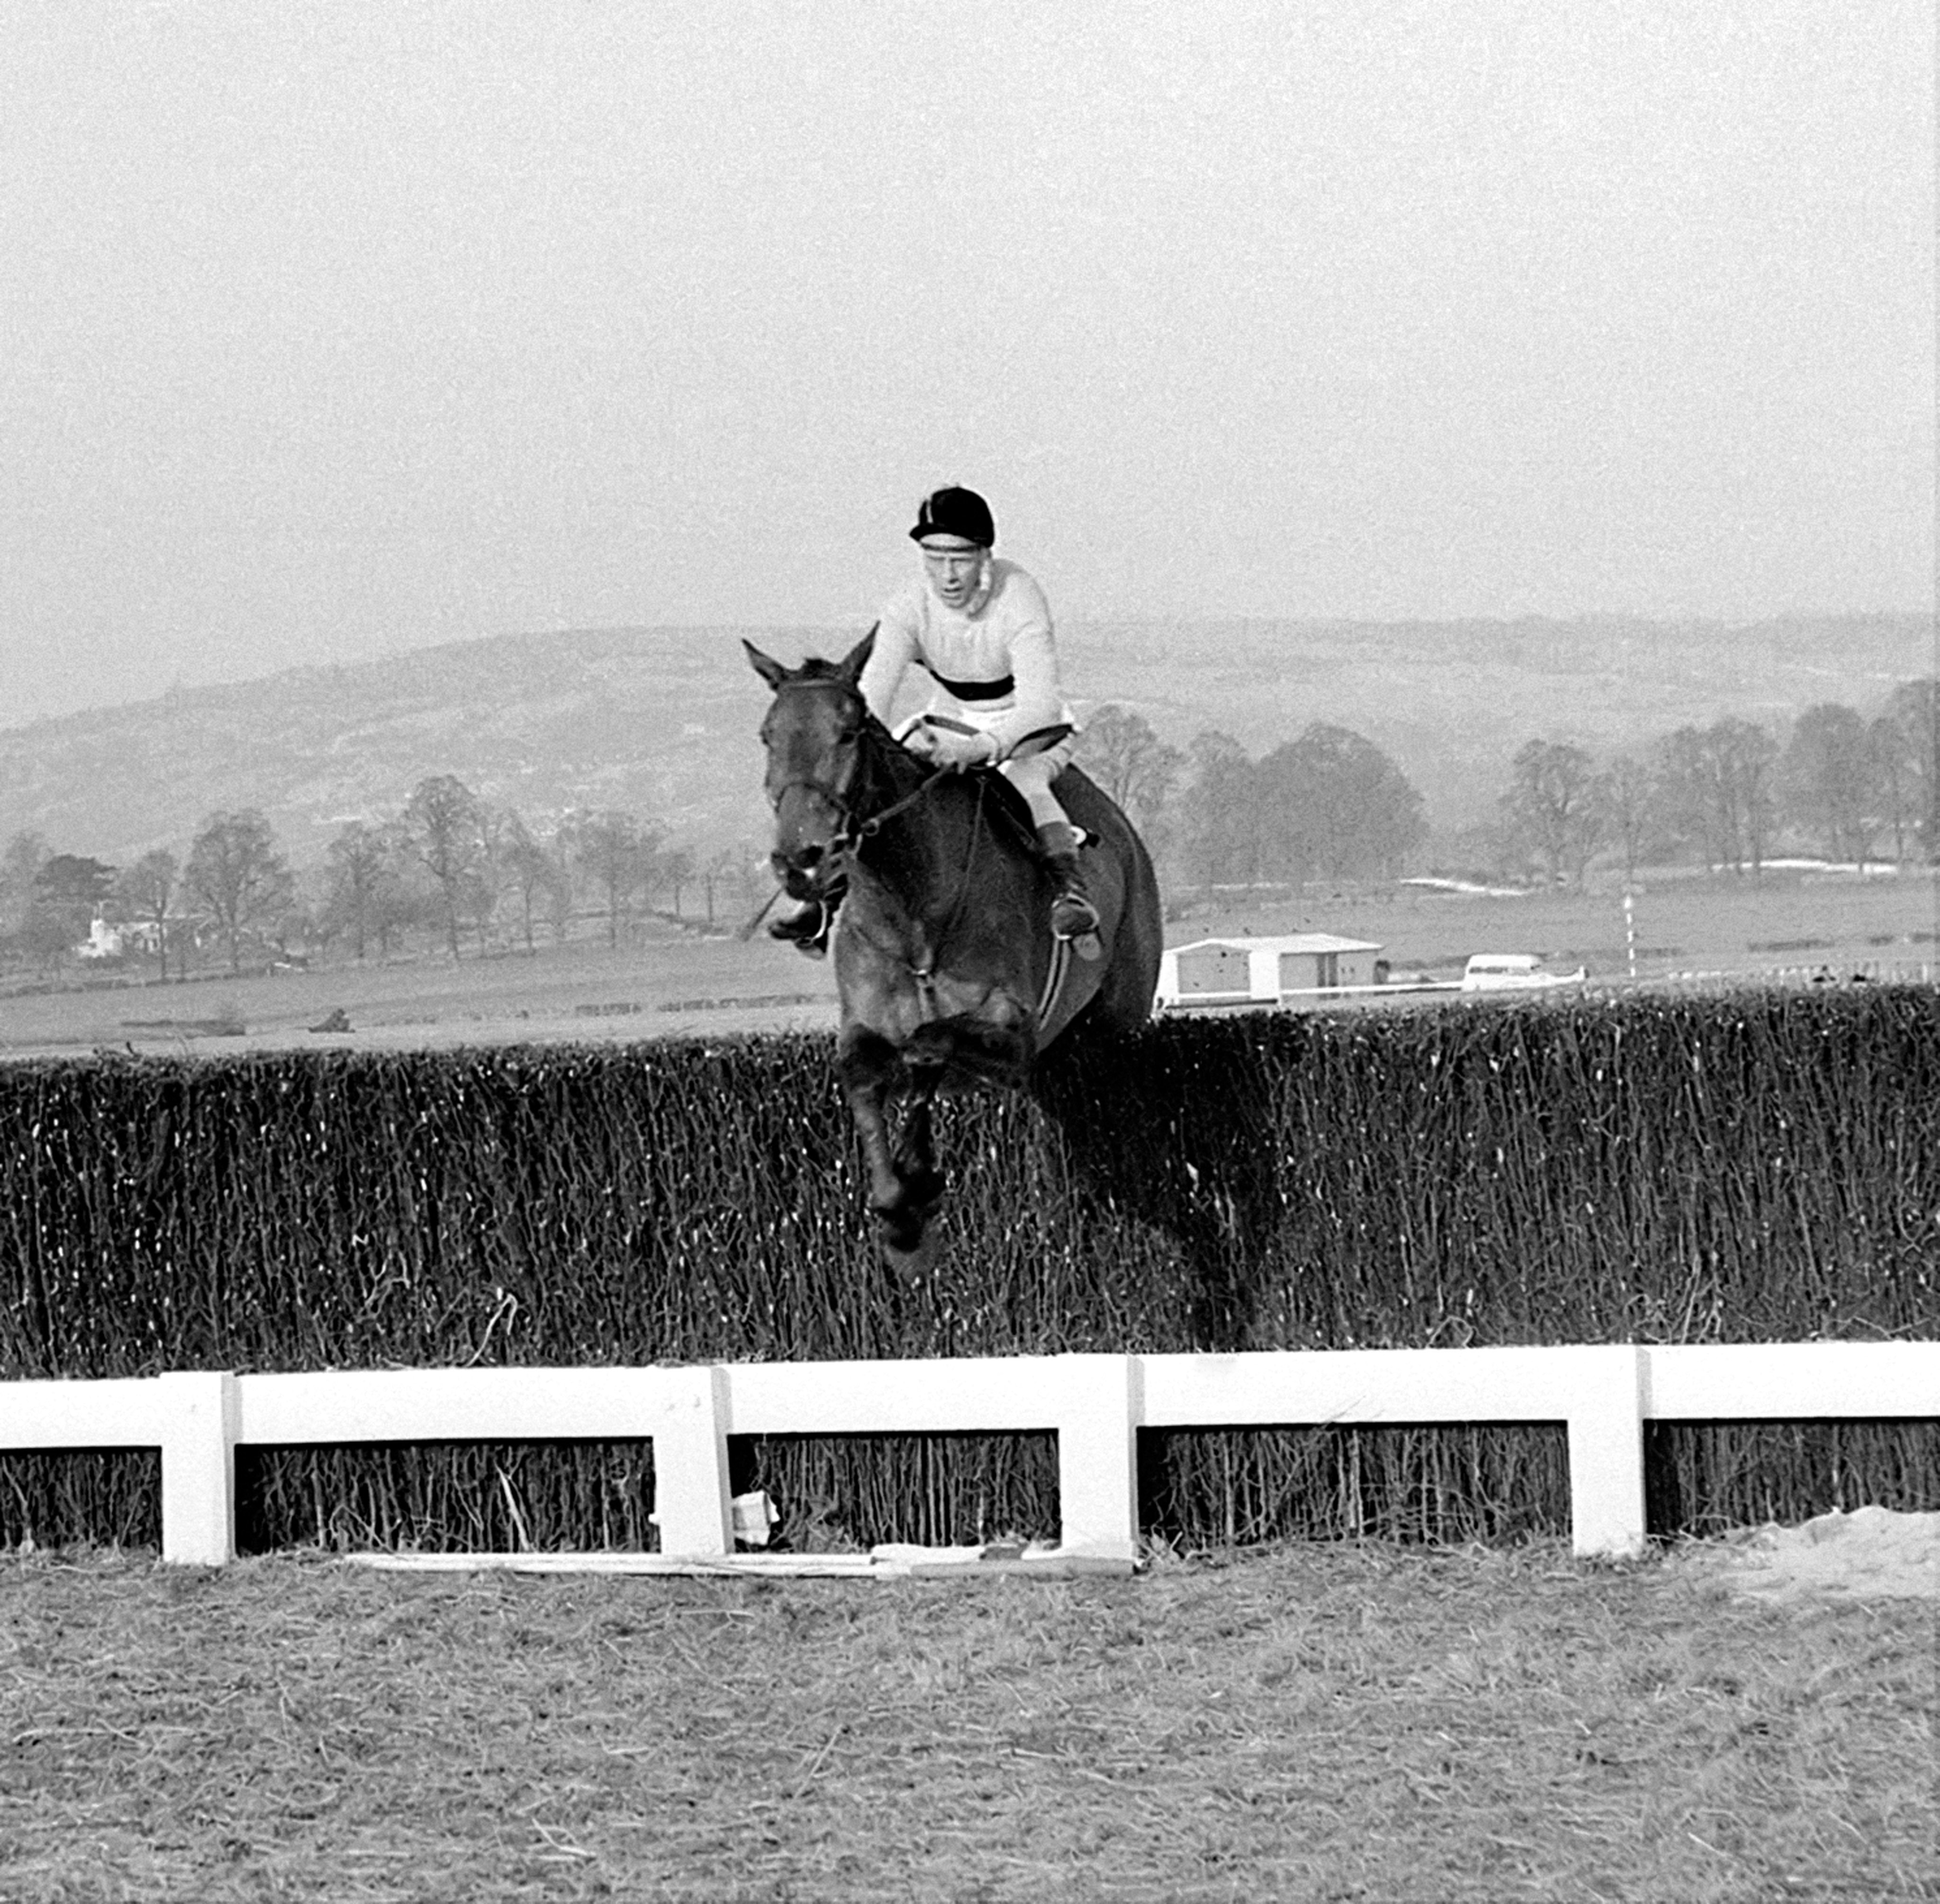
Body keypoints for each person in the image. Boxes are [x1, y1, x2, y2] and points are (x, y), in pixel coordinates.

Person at [771, 485, 1101, 957]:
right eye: (933, 558)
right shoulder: (907, 605)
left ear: (985, 555)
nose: (947, 575)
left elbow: (1040, 707)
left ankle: (1070, 892)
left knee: (1027, 783)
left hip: (1030, 731)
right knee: (876, 782)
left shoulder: (1020, 595)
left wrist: (979, 748)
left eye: (960, 559)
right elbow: (870, 701)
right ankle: (826, 900)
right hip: (947, 720)